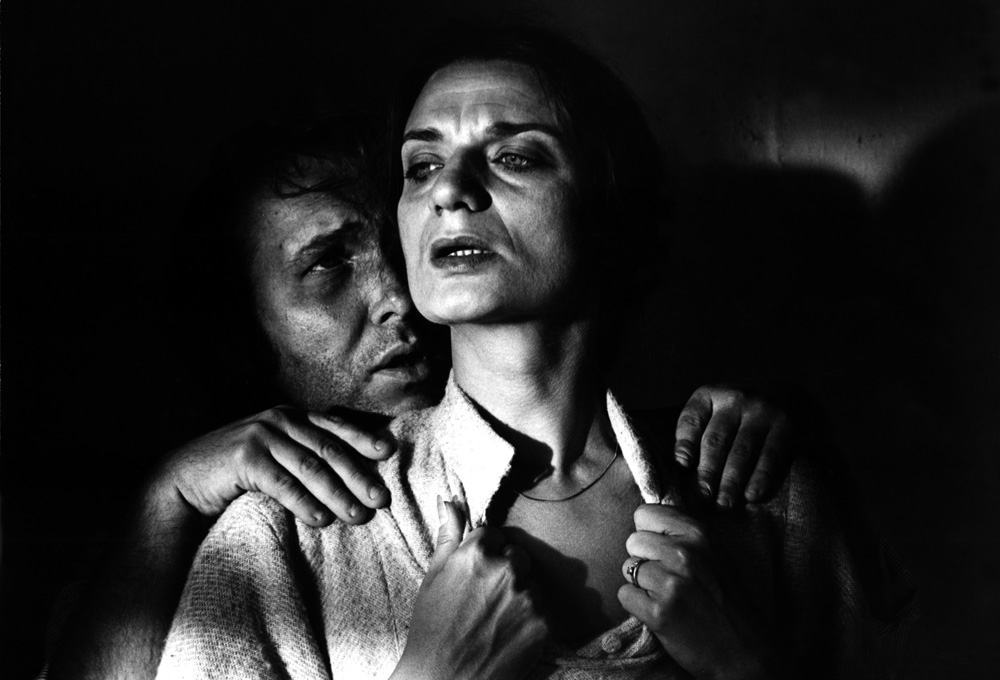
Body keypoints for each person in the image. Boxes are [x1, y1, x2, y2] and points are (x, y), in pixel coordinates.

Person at [156, 26, 913, 680]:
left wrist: (745, 668)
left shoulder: (768, 498)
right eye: (421, 166)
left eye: (515, 156)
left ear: (609, 207)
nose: (449, 189)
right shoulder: (285, 537)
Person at [46, 113, 800, 680]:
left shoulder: (691, 476)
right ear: (242, 329)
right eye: (327, 265)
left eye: (394, 248)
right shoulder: (235, 544)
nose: (399, 300)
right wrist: (168, 497)